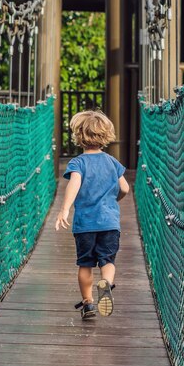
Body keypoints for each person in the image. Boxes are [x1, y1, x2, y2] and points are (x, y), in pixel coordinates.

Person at [55, 110, 130, 320]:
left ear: (79, 136)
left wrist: (65, 208)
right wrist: (113, 202)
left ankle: (88, 304)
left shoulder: (78, 163)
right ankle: (105, 283)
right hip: (109, 223)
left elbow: (75, 183)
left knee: (85, 264)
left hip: (85, 225)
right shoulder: (112, 162)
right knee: (107, 261)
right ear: (105, 136)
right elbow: (124, 188)